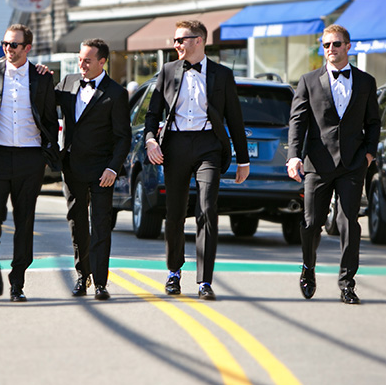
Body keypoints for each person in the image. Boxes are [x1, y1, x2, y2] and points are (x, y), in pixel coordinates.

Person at [143, 19, 250, 300]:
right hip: (175, 146)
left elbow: (235, 119)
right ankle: (174, 272)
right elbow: (152, 114)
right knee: (175, 213)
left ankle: (204, 281)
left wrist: (243, 159)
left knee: (206, 210)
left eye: (181, 40)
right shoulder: (167, 71)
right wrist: (151, 140)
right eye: (175, 40)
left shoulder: (222, 74)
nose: (176, 45)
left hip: (208, 146)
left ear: (199, 40)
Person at [0, 24, 60, 302]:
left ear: (27, 48)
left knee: (24, 222)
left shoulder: (41, 78)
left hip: (30, 158)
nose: (8, 49)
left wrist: (46, 153)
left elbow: (50, 121)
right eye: (6, 44)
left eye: (14, 45)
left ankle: (18, 281)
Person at [287, 24, 380, 304]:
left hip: (353, 163)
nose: (331, 50)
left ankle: (347, 283)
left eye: (336, 44)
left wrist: (369, 154)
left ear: (348, 47)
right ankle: (308, 267)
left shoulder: (366, 82)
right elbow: (298, 122)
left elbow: (373, 122)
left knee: (348, 222)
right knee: (311, 222)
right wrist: (294, 155)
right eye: (326, 45)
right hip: (318, 162)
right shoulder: (308, 81)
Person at [55, 39, 131, 300]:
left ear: (102, 62)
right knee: (77, 224)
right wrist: (38, 74)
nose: (81, 64)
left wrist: (113, 168)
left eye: (87, 60)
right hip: (72, 167)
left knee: (100, 225)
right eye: (80, 59)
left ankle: (100, 282)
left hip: (102, 171)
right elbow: (44, 102)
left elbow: (123, 137)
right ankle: (82, 275)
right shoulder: (67, 82)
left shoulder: (117, 93)